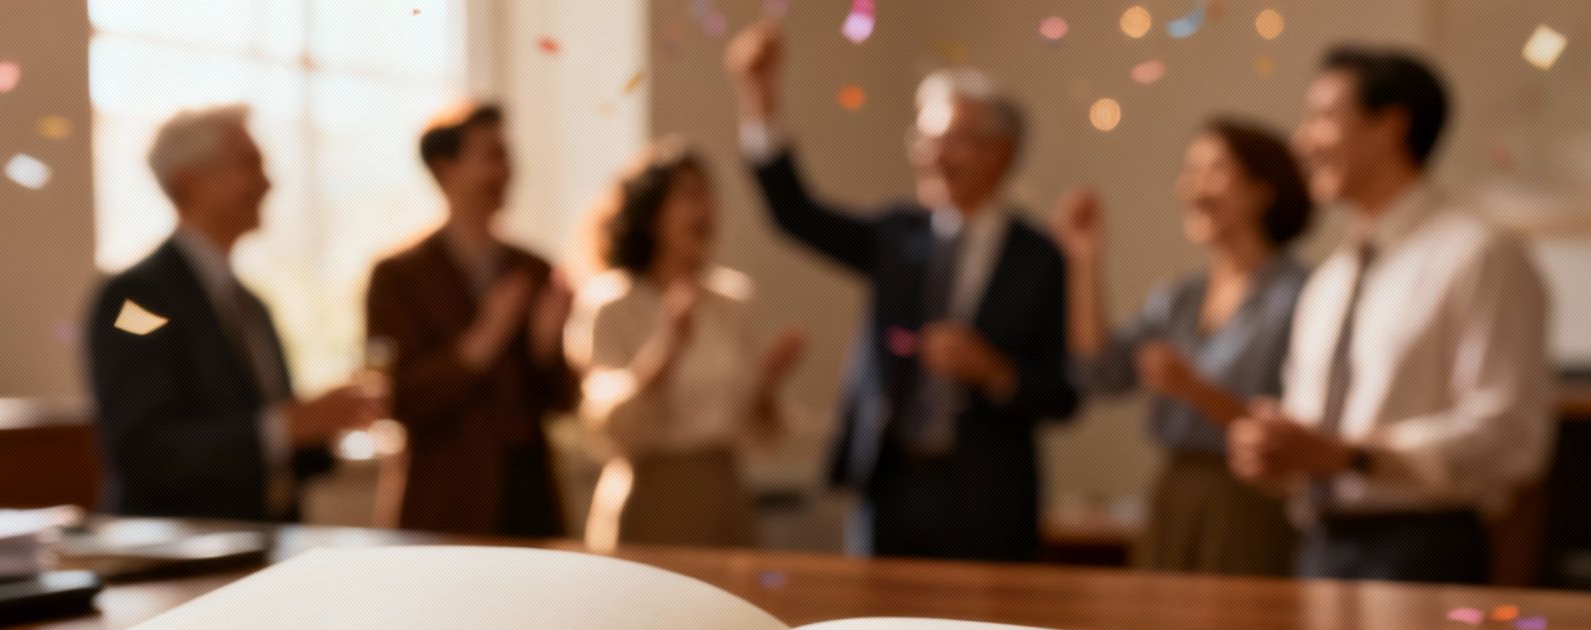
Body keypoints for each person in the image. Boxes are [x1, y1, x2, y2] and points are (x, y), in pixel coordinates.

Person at [724, 21, 1077, 562]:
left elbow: (1064, 392)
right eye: (924, 139)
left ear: (1001, 153)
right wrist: (759, 96)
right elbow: (793, 213)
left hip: (989, 498)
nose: (930, 155)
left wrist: (995, 372)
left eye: (951, 141)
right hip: (891, 489)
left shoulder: (1040, 257)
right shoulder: (898, 236)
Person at [1226, 47, 1554, 584]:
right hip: (1317, 547)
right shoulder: (1329, 280)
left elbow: (1510, 435)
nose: (1302, 141)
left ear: (1389, 126)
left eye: (1324, 117)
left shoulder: (1478, 253)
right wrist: (1278, 452)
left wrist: (1352, 457)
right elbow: (1317, 433)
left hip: (1422, 550)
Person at [86, 105, 382, 521]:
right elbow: (143, 454)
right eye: (249, 164)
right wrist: (284, 427)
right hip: (177, 561)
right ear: (189, 182)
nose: (267, 182)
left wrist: (325, 421)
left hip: (261, 547)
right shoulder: (134, 299)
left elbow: (275, 445)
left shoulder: (252, 305)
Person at [1054, 120, 1312, 575]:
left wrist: (1194, 390)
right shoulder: (1181, 297)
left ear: (1261, 189)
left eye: (1214, 170)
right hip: (1175, 489)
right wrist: (1085, 257)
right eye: (1189, 170)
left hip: (1249, 501)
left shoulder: (1299, 294)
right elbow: (1102, 371)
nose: (1195, 186)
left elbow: (1300, 430)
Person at [567, 139, 807, 551]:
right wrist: (665, 348)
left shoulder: (733, 299)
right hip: (651, 493)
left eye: (708, 194)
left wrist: (766, 383)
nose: (705, 208)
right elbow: (604, 423)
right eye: (689, 194)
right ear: (651, 212)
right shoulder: (611, 302)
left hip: (722, 490)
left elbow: (749, 426)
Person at [365, 102, 578, 537]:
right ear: (445, 169)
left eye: (507, 156)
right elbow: (396, 400)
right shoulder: (397, 276)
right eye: (491, 156)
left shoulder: (534, 269)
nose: (506, 172)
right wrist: (480, 342)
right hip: (442, 503)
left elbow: (562, 402)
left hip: (529, 503)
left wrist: (547, 349)